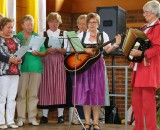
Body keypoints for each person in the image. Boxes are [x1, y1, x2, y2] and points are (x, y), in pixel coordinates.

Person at [72, 12, 121, 130]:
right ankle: (87, 123)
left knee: (97, 94)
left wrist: (116, 44)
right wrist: (85, 49)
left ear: (98, 23)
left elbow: (108, 50)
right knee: (86, 95)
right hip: (84, 67)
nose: (92, 24)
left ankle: (96, 123)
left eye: (94, 22)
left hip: (98, 66)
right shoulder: (81, 35)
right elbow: (75, 49)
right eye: (89, 22)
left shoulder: (102, 35)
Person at [129, 1, 160, 130]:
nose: (144, 14)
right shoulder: (143, 27)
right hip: (139, 67)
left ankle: (152, 128)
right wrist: (132, 55)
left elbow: (158, 48)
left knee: (148, 103)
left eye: (146, 12)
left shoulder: (158, 27)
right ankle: (139, 127)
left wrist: (142, 53)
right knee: (136, 102)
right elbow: (137, 45)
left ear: (154, 13)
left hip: (149, 68)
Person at [37, 12, 71, 124]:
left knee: (59, 87)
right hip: (46, 62)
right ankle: (44, 116)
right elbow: (38, 50)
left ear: (59, 22)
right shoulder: (42, 34)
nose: (53, 24)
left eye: (56, 22)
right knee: (45, 87)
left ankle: (60, 116)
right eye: (51, 21)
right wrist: (46, 51)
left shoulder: (64, 33)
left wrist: (59, 49)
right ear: (48, 22)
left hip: (59, 62)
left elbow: (66, 49)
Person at [16, 15, 46, 126]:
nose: (30, 26)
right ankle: (20, 118)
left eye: (31, 24)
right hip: (22, 68)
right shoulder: (17, 37)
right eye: (28, 24)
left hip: (36, 68)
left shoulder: (37, 36)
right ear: (22, 25)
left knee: (34, 94)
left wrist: (38, 53)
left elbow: (44, 52)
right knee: (21, 94)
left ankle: (32, 117)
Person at [0, 17, 22, 129]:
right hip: (3, 72)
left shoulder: (16, 39)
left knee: (12, 98)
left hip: (15, 71)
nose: (10, 29)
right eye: (8, 27)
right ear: (2, 27)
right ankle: (1, 121)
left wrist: (20, 59)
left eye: (12, 27)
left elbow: (21, 52)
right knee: (2, 98)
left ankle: (10, 120)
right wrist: (10, 60)